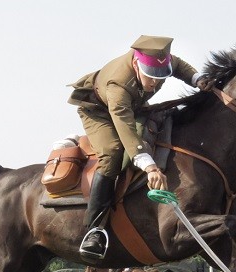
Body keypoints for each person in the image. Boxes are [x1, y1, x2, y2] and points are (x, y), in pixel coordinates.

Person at [68, 35, 213, 258]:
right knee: (113, 153)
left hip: (132, 107)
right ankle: (94, 230)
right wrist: (150, 167)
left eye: (160, 76)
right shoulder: (118, 85)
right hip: (99, 111)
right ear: (136, 64)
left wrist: (197, 79)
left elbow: (179, 66)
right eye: (151, 76)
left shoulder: (159, 62)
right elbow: (125, 127)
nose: (155, 82)